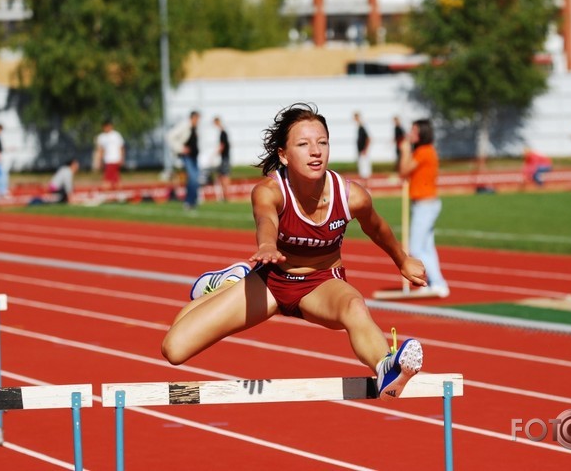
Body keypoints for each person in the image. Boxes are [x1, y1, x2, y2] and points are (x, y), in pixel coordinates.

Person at [162, 103, 428, 401]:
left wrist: (402, 260)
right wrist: (266, 245)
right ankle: (230, 281)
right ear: (283, 154)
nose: (316, 151)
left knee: (354, 306)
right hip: (271, 282)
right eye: (303, 144)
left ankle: (386, 367)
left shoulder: (351, 196)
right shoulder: (269, 191)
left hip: (321, 283)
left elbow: (377, 228)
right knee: (174, 349)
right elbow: (266, 219)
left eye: (322, 142)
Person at [398, 118, 450, 298]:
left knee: (416, 248)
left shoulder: (423, 152)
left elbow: (403, 171)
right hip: (425, 204)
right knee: (427, 247)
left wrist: (404, 151)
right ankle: (435, 283)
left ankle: (439, 283)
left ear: (421, 133)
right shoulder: (424, 151)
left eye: (413, 131)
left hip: (425, 205)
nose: (410, 134)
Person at [167, 111, 201, 209]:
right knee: (193, 178)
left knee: (195, 179)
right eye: (197, 119)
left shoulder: (194, 128)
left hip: (194, 157)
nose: (198, 121)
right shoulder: (185, 126)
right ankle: (189, 201)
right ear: (193, 118)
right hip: (187, 157)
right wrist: (181, 149)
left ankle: (193, 201)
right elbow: (170, 136)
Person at [93, 119, 125, 190]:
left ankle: (110, 193)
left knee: (108, 180)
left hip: (115, 159)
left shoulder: (116, 135)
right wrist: (99, 161)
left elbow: (121, 147)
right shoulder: (101, 137)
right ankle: (118, 193)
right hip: (107, 160)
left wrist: (122, 158)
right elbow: (100, 150)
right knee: (114, 178)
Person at [213, 116, 231, 201]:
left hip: (224, 158)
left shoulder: (222, 133)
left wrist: (215, 154)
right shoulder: (224, 132)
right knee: (222, 176)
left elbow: (222, 145)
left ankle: (226, 195)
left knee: (224, 176)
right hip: (224, 158)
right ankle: (224, 195)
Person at [354, 112, 371, 183]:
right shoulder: (359, 128)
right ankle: (364, 185)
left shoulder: (362, 128)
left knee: (365, 171)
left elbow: (368, 139)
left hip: (363, 152)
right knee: (362, 170)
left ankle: (366, 186)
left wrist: (365, 149)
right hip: (361, 152)